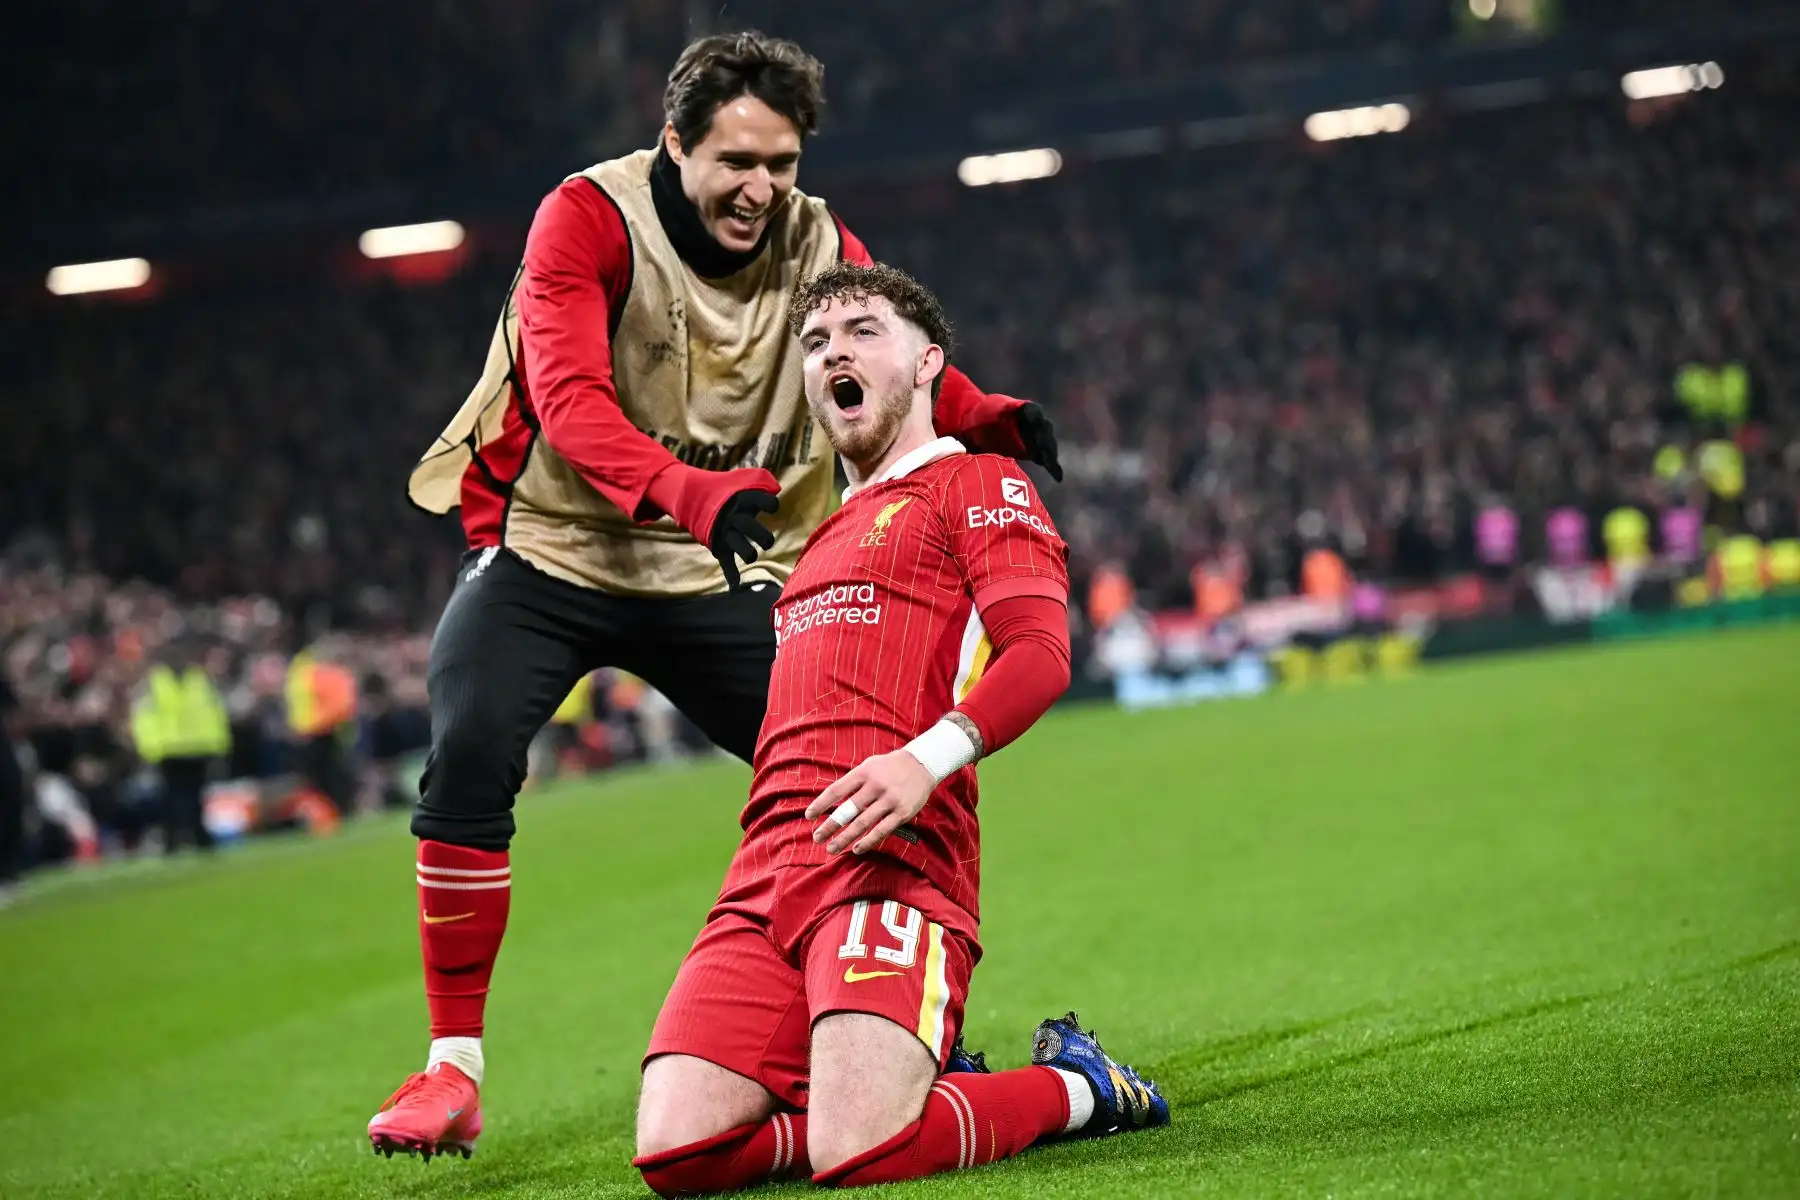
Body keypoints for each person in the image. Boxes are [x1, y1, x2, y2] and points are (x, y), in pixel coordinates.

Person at [371, 31, 1062, 1157]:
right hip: (554, 546)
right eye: (736, 161)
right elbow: (568, 399)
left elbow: (888, 338)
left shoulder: (814, 235)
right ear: (674, 142)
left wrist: (984, 415)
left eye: (781, 164)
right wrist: (688, 492)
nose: (760, 188)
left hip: (709, 566)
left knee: (851, 763)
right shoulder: (587, 219)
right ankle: (451, 1068)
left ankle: (896, 1026)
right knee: (469, 740)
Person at [629, 263, 1167, 1194]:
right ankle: (910, 1076)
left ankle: (1077, 1086)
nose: (833, 351)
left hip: (895, 860)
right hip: (765, 872)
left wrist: (924, 762)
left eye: (862, 331)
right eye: (815, 343)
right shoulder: (815, 545)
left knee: (861, 1154)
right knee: (677, 1155)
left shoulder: (977, 481)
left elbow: (1041, 654)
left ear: (927, 366)